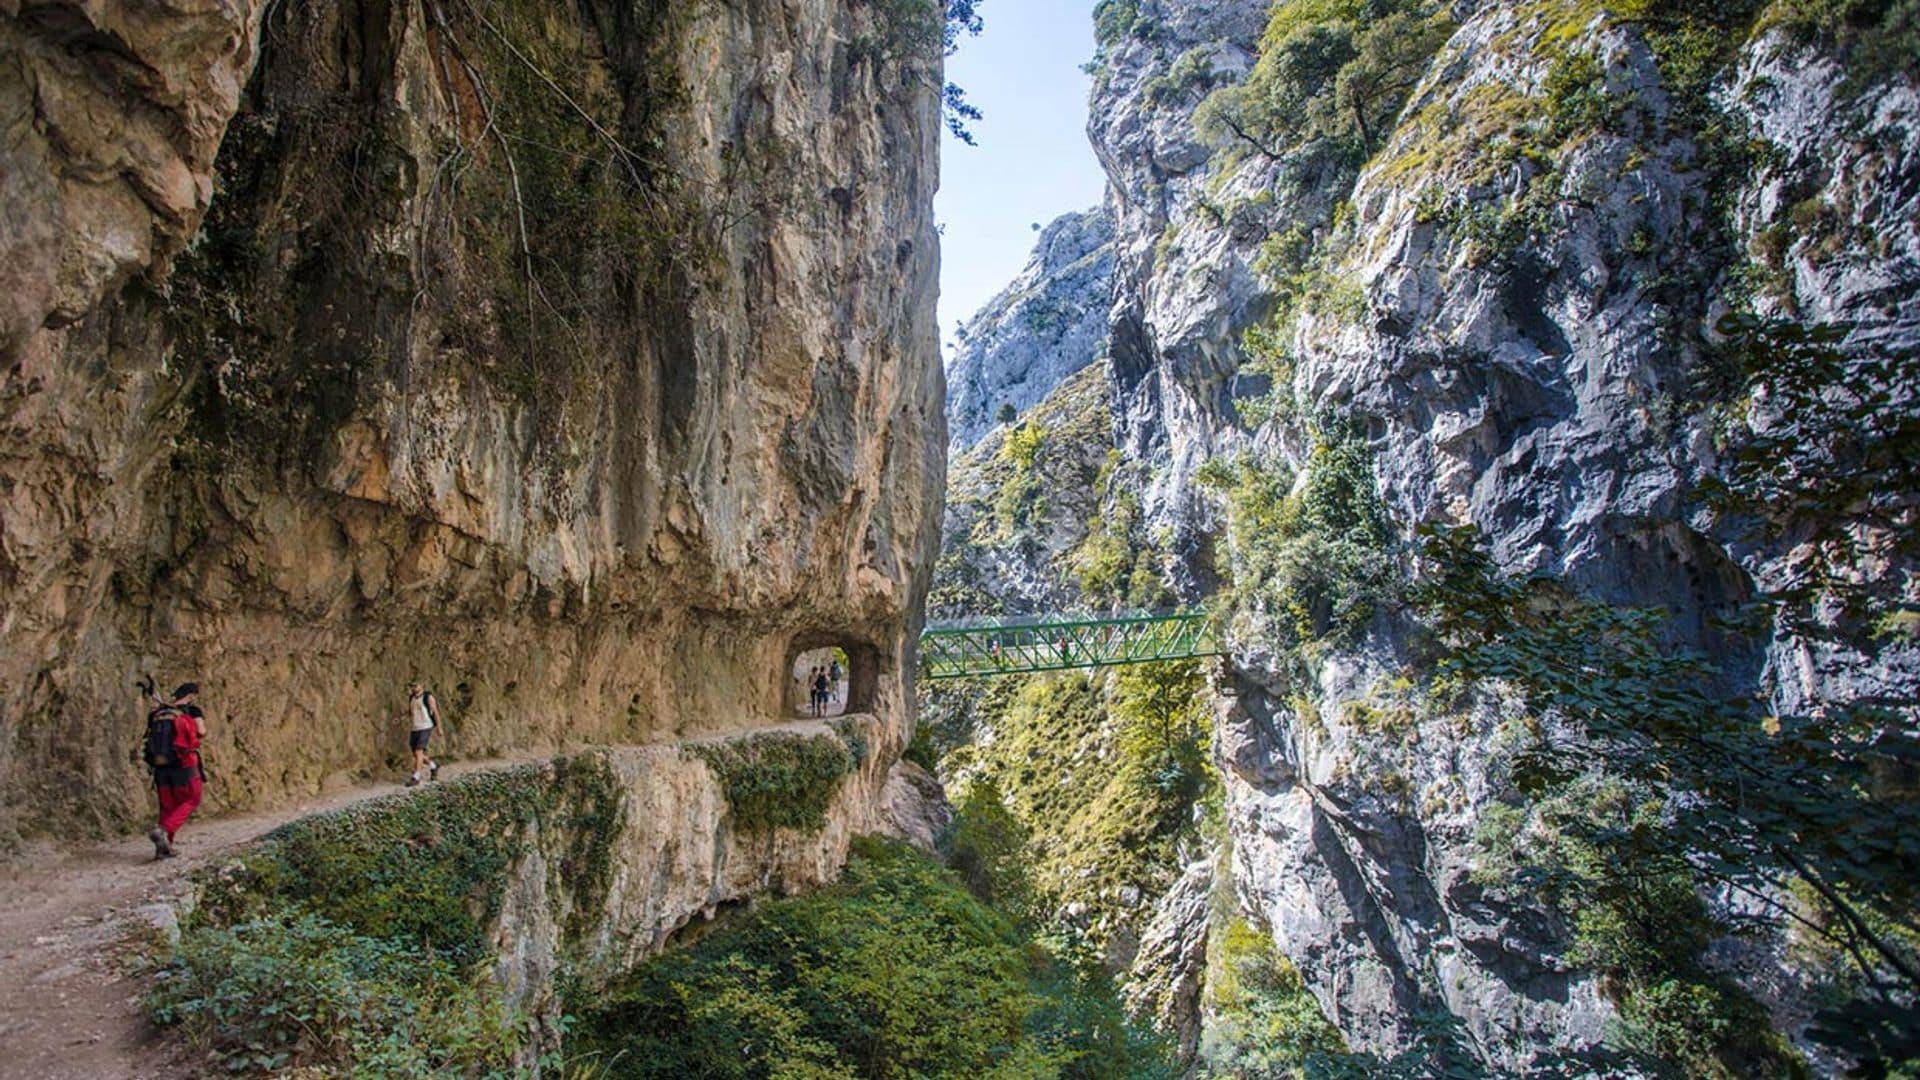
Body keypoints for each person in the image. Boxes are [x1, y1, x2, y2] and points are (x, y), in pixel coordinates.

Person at [146, 682, 205, 859]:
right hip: (183, 763)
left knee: (167, 806)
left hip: (160, 765)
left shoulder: (158, 713)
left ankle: (164, 848)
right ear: (191, 695)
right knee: (192, 798)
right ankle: (164, 831)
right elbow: (202, 731)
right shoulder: (192, 711)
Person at [406, 682, 441, 787]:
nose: (413, 688)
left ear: (422, 685)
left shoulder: (428, 697)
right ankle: (433, 766)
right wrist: (400, 718)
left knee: (418, 751)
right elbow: (410, 712)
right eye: (411, 686)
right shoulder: (412, 698)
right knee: (416, 754)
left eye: (415, 685)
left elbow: (435, 712)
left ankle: (416, 776)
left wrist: (439, 727)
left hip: (426, 726)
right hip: (415, 727)